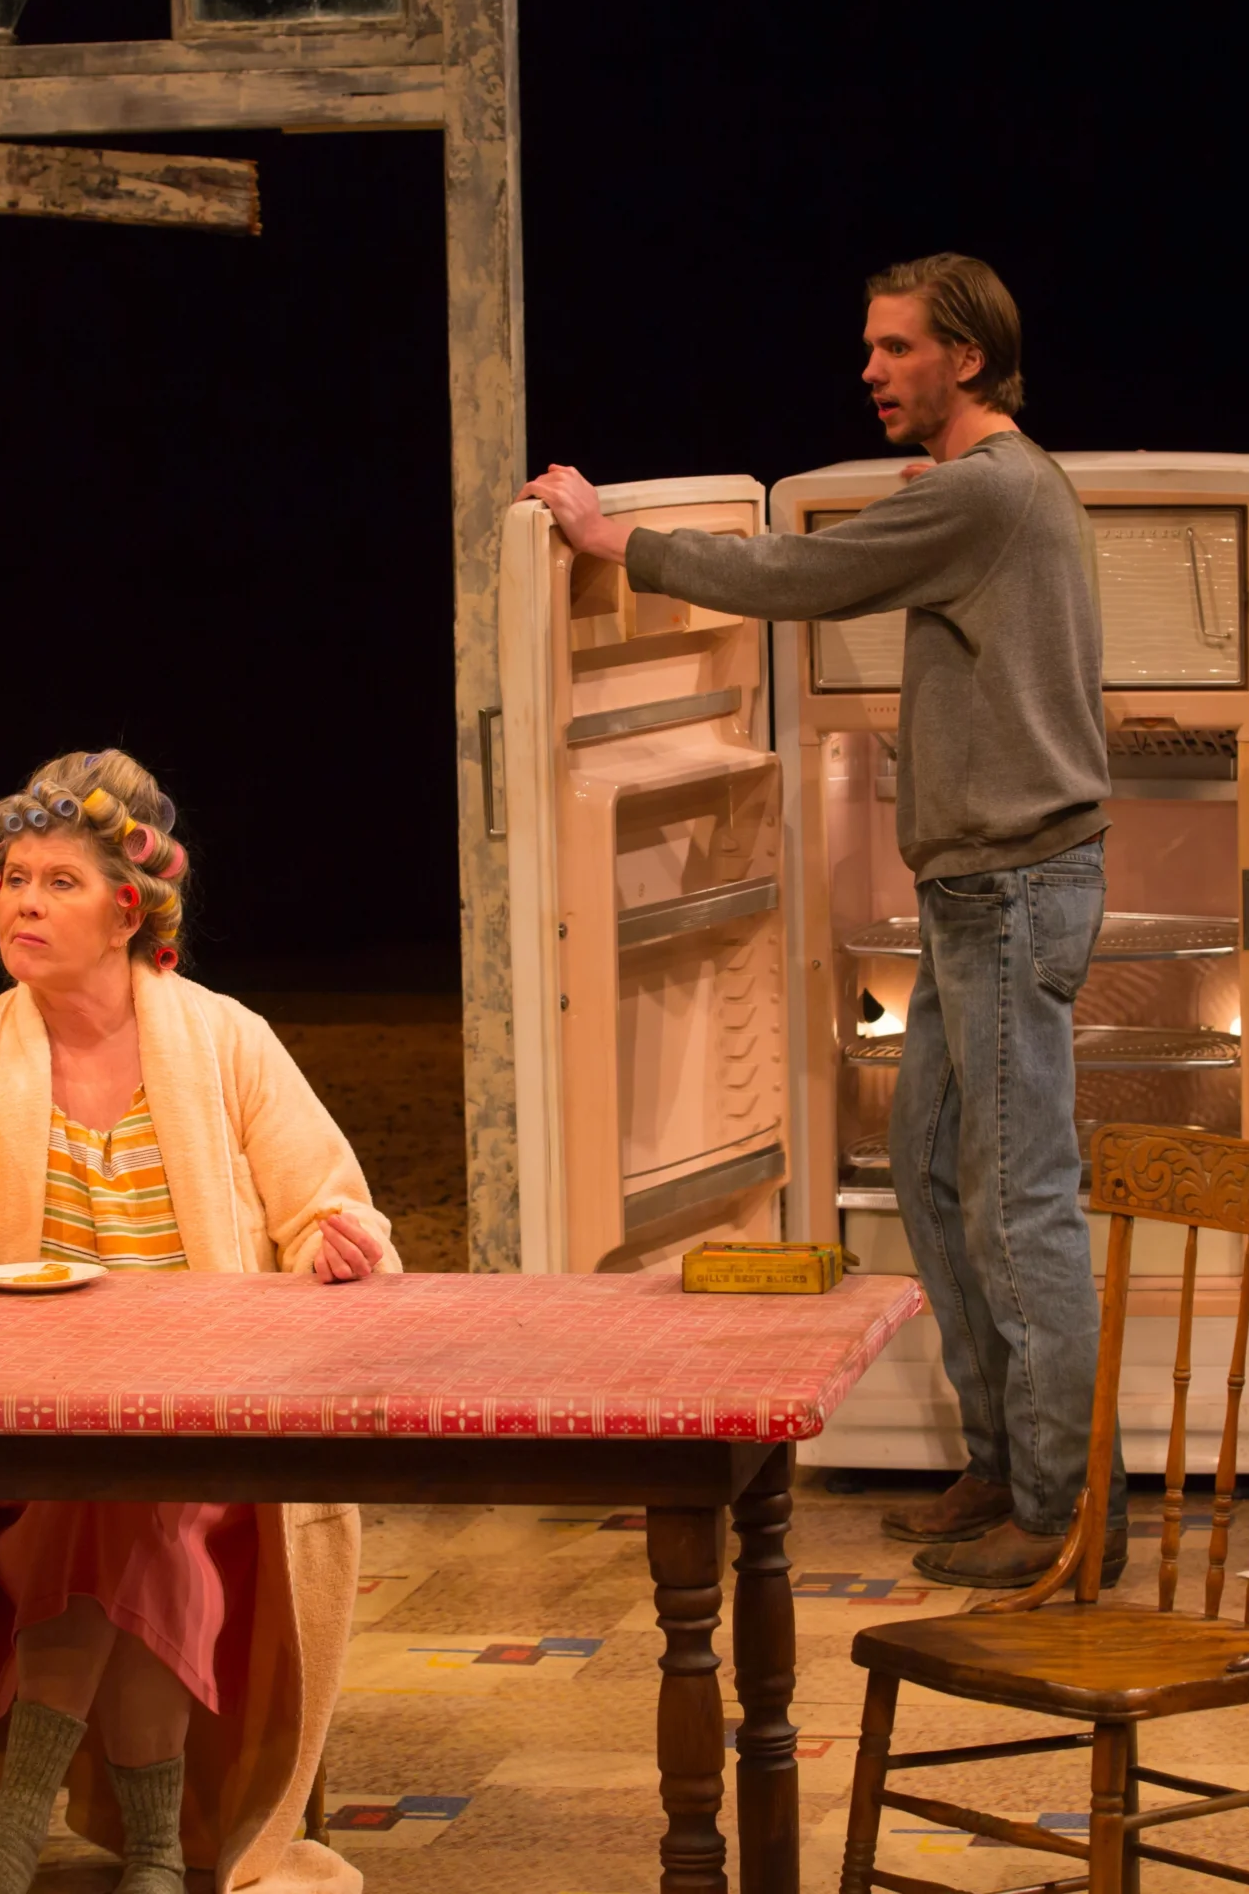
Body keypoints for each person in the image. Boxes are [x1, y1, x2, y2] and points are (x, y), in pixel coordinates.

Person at [519, 253, 1126, 1591]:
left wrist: (622, 540)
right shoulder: (990, 491)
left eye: (895, 348)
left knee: (1021, 1207)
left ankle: (1068, 1506)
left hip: (1014, 892)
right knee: (929, 1170)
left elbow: (800, 577)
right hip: (978, 891)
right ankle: (999, 1461)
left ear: (964, 359)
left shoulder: (987, 490)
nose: (870, 370)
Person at [0, 749, 397, 1894]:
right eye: (14, 881)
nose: (25, 903)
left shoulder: (222, 1036)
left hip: (210, 1401)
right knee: (103, 1501)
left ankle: (21, 1820)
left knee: (114, 1508)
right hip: (41, 1402)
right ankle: (146, 1851)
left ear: (128, 910)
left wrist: (337, 1243)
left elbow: (330, 1201)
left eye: (59, 883)